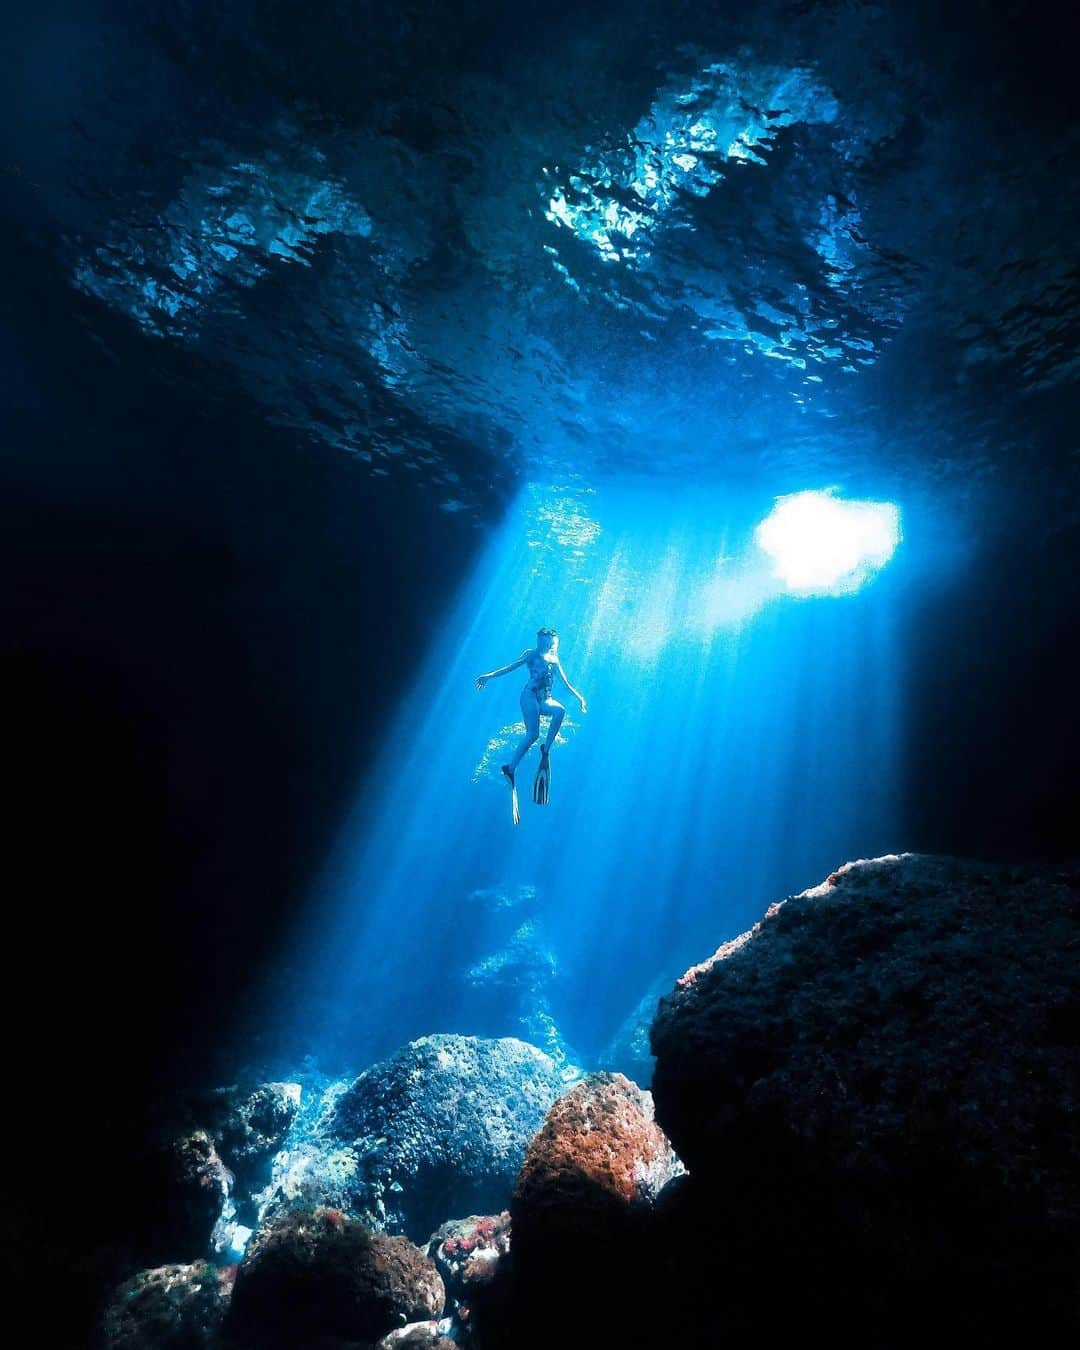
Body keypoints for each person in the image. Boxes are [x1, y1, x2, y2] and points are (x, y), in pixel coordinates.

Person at [476, 627, 587, 819]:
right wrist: (488, 676)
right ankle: (510, 768)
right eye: (539, 640)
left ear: (550, 643)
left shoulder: (554, 660)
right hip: (529, 697)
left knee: (560, 711)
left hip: (545, 699)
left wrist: (580, 699)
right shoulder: (531, 655)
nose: (540, 644)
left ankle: (546, 749)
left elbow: (566, 683)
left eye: (544, 641)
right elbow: (510, 667)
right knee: (533, 734)